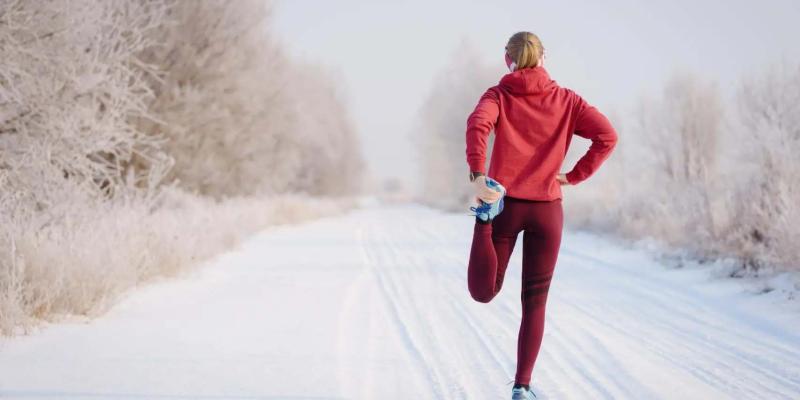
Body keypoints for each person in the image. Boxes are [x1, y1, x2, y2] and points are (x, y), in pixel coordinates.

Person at [465, 31, 618, 400]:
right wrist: (573, 176)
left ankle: (482, 219)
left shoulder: (498, 96)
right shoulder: (567, 100)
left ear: (508, 60)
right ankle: (522, 387)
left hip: (505, 205)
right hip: (548, 212)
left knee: (483, 292)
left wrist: (477, 173)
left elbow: (478, 124)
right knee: (534, 303)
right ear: (544, 58)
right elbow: (607, 136)